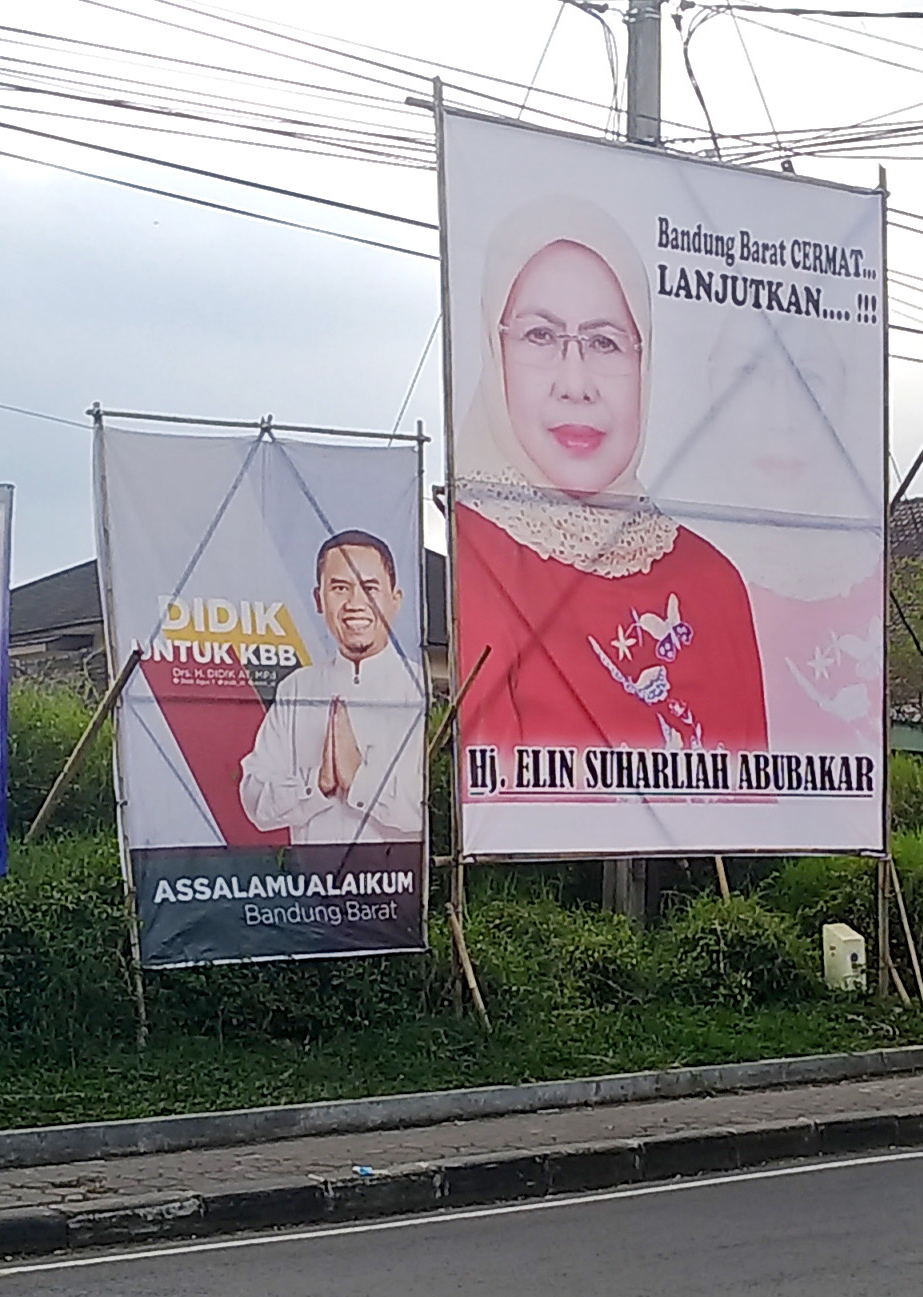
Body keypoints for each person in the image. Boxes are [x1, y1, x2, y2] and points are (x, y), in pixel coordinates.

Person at [452, 198, 767, 763]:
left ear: (644, 362)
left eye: (605, 343)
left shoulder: (713, 582)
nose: (576, 384)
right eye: (540, 336)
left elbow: (753, 805)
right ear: (492, 350)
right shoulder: (474, 557)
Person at [237, 530, 426, 844]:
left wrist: (358, 781)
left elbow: (436, 806)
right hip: (312, 886)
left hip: (397, 887)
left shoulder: (423, 689)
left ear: (395, 600)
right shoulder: (296, 690)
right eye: (340, 588)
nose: (355, 603)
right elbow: (255, 798)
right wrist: (317, 784)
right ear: (318, 600)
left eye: (370, 588)